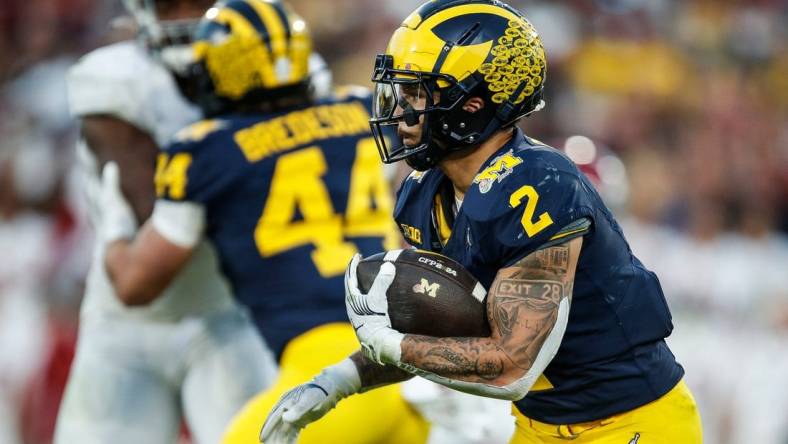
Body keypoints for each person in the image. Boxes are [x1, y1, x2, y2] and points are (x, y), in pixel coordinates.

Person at [261, 1, 704, 443]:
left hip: (631, 422)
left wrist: (393, 344)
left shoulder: (537, 185)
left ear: (471, 105)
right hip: (537, 427)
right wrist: (338, 381)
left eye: (418, 92)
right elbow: (434, 333)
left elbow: (512, 366)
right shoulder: (422, 193)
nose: (401, 110)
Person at [94, 1, 429, 443]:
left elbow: (136, 284)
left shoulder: (206, 151)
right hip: (418, 352)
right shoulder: (359, 110)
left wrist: (113, 229)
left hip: (332, 370)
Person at [54, 1, 277, 443]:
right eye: (172, 3)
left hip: (228, 313)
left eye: (200, 2)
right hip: (126, 322)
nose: (187, 18)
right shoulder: (113, 78)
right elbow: (149, 240)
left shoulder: (283, 60)